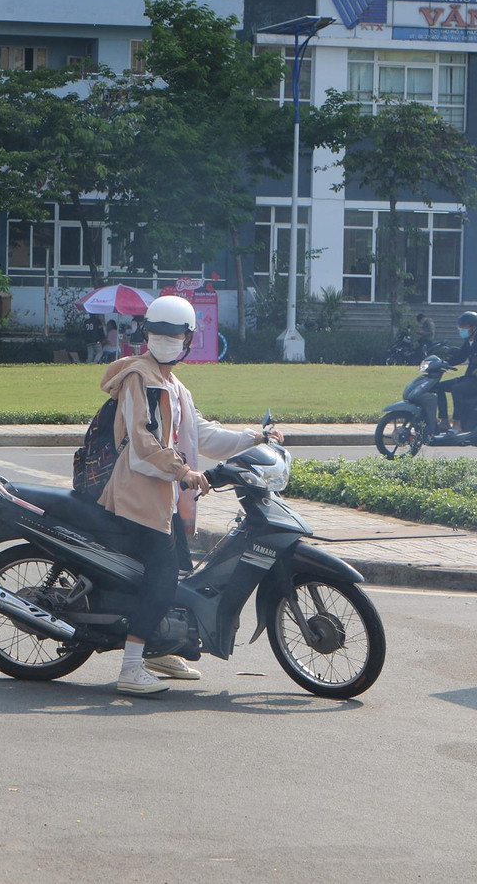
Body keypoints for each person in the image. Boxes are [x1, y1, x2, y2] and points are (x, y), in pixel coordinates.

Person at [97, 295, 282, 695]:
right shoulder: (139, 378)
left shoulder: (172, 384)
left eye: (174, 334)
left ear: (187, 338)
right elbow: (142, 441)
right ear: (146, 334)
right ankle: (130, 667)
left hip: (163, 496)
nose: (166, 340)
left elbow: (202, 433)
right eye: (159, 333)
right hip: (139, 497)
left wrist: (254, 437)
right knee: (164, 578)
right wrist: (184, 472)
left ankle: (156, 649)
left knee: (180, 570)